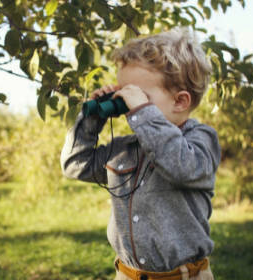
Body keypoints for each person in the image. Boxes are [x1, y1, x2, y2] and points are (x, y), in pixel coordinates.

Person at [60, 27, 221, 280]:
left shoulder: (200, 140)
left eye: (137, 96)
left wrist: (143, 112)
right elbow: (75, 164)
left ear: (180, 101)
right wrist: (92, 119)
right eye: (123, 93)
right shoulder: (125, 149)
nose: (127, 103)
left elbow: (180, 166)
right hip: (128, 274)